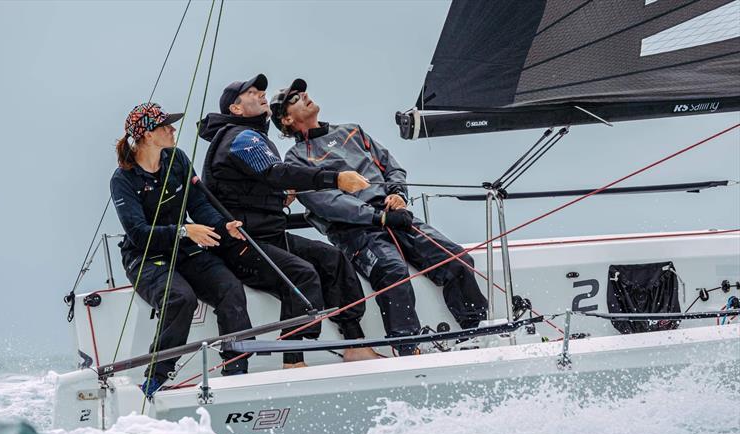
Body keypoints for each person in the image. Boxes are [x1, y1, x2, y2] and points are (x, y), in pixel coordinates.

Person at [272, 79, 488, 355]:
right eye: (294, 98)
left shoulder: (351, 131)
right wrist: (377, 218)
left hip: (394, 213)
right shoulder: (296, 161)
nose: (304, 96)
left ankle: (476, 331)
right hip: (357, 231)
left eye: (303, 92)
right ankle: (407, 347)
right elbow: (328, 203)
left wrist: (398, 193)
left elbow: (390, 166)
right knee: (393, 273)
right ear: (287, 119)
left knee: (456, 259)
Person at [197, 74, 380, 367]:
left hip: (268, 236)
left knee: (332, 259)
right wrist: (335, 179)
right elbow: (276, 173)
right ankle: (291, 360)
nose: (261, 95)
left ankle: (354, 342)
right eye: (252, 93)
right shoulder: (241, 137)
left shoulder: (250, 136)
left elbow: (254, 184)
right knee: (302, 274)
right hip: (242, 245)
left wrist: (278, 197)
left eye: (262, 91)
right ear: (236, 109)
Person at [111, 102, 252, 397]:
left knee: (228, 286)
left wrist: (223, 226)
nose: (173, 129)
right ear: (149, 135)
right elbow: (138, 233)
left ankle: (236, 366)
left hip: (184, 248)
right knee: (180, 298)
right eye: (166, 126)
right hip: (144, 256)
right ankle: (156, 378)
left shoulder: (177, 159)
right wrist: (185, 230)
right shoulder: (123, 179)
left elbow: (199, 204)